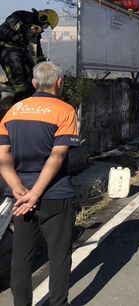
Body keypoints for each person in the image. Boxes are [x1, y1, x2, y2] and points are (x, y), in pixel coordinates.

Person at [0, 61, 79, 306]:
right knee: (58, 255)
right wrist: (35, 194)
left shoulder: (13, 111)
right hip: (55, 195)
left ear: (34, 83)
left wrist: (17, 188)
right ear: (59, 82)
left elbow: (3, 155)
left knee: (21, 258)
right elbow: (57, 157)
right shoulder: (65, 111)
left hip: (21, 198)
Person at [0, 8, 59, 103]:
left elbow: (37, 48)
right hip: (6, 48)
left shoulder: (36, 30)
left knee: (31, 73)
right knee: (17, 73)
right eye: (45, 25)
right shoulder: (23, 15)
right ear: (43, 18)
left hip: (21, 50)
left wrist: (43, 64)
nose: (43, 28)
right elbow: (11, 20)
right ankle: (18, 100)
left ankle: (30, 97)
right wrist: (24, 28)